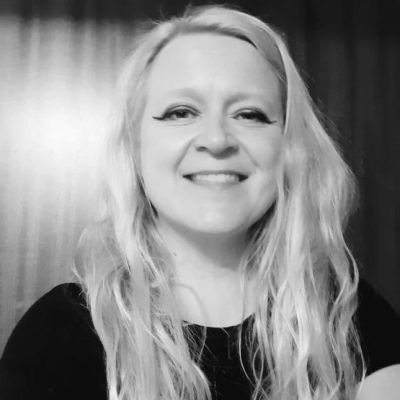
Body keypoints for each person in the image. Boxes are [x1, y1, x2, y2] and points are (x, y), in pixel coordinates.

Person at [1, 4, 400, 400]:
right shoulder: (57, 335)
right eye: (181, 112)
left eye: (250, 114)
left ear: (287, 147)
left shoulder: (348, 317)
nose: (216, 140)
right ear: (135, 148)